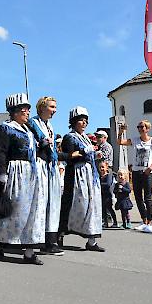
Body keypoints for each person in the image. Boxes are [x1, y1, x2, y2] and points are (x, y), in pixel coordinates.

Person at [0, 93, 47, 264]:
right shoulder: (6, 128)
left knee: (33, 211)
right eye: (24, 110)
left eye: (28, 110)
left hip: (31, 172)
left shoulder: (29, 130)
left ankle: (29, 251)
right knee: (15, 210)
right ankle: (0, 241)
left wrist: (43, 144)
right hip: (16, 170)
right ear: (14, 111)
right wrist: (2, 172)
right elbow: (0, 151)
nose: (27, 113)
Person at [59, 106, 104, 251]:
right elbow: (70, 156)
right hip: (76, 175)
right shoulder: (69, 137)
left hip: (90, 174)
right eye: (81, 121)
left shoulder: (85, 137)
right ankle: (60, 235)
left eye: (85, 121)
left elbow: (87, 154)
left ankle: (91, 240)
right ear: (74, 122)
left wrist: (95, 155)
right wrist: (85, 152)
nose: (84, 123)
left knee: (92, 206)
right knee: (72, 204)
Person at [27, 96, 64, 255]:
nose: (54, 110)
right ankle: (42, 240)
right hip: (40, 165)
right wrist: (42, 144)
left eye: (55, 107)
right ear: (42, 108)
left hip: (51, 166)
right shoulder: (33, 123)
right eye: (51, 107)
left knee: (53, 203)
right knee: (41, 202)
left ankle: (51, 239)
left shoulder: (50, 126)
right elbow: (29, 144)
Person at [117, 119, 152, 233]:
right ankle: (144, 220)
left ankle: (150, 223)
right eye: (138, 127)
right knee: (138, 197)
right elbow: (120, 142)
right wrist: (121, 132)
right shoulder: (135, 140)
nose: (140, 129)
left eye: (142, 127)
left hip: (148, 172)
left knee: (147, 198)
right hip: (136, 171)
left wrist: (150, 167)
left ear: (147, 129)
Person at [99, 161, 118, 228]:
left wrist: (99, 185)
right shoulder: (99, 176)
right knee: (103, 209)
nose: (101, 169)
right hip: (102, 195)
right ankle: (105, 223)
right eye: (100, 167)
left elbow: (108, 184)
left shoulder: (109, 175)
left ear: (106, 167)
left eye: (103, 167)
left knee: (109, 208)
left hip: (108, 195)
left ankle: (115, 222)